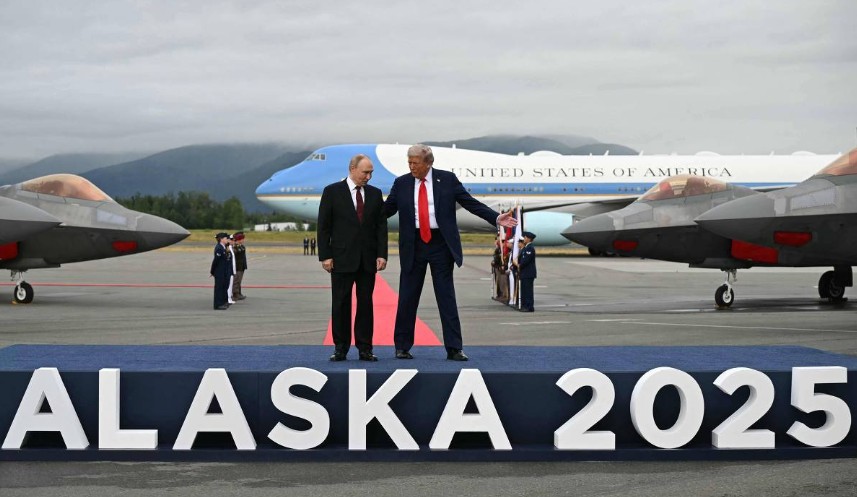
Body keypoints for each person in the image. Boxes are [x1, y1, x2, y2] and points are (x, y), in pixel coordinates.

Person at [384, 144, 517, 361]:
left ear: (429, 163)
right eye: (409, 163)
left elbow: (469, 203)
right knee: (407, 298)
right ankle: (402, 346)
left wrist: (494, 217)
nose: (411, 167)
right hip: (413, 245)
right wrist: (361, 216)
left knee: (446, 297)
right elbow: (387, 209)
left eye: (415, 163)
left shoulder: (447, 180)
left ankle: (454, 348)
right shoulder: (402, 183)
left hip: (441, 245)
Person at [317, 153, 388, 362]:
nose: (368, 177)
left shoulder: (375, 194)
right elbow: (323, 227)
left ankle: (365, 348)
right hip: (341, 258)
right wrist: (325, 256)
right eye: (365, 172)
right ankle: (341, 348)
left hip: (367, 260)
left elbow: (381, 227)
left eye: (371, 173)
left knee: (366, 305)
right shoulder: (332, 192)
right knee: (341, 304)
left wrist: (382, 254)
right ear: (352, 169)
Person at [515, 231, 537, 312]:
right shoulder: (526, 248)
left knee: (528, 291)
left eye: (525, 237)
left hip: (528, 273)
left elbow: (525, 260)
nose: (524, 239)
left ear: (528, 239)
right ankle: (524, 305)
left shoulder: (530, 248)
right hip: (524, 273)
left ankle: (529, 306)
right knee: (524, 290)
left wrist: (519, 265)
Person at [210, 232, 232, 310]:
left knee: (223, 287)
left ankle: (222, 302)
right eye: (226, 238)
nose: (227, 240)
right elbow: (216, 261)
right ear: (221, 239)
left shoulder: (224, 247)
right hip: (219, 272)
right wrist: (212, 271)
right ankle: (218, 305)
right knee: (219, 288)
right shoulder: (219, 248)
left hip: (223, 271)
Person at [232, 232, 247, 300]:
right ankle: (235, 294)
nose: (243, 240)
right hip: (237, 266)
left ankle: (238, 293)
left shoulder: (241, 246)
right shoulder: (235, 246)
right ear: (239, 239)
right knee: (236, 280)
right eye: (242, 239)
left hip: (241, 266)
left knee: (239, 280)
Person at [226, 235, 236, 305]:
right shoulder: (227, 248)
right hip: (229, 270)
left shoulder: (231, 248)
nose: (233, 241)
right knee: (229, 285)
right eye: (232, 240)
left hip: (232, 269)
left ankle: (229, 298)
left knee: (230, 285)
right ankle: (228, 299)